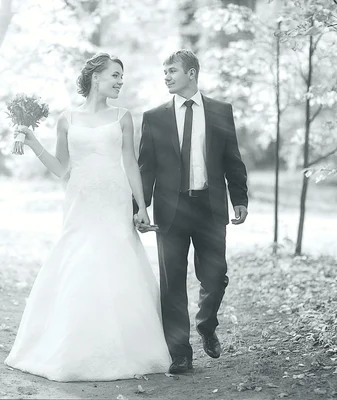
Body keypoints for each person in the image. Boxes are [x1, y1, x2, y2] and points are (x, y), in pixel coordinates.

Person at [4, 53, 171, 382]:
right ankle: (70, 349)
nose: (120, 81)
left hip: (115, 200)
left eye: (121, 77)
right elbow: (61, 169)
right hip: (80, 201)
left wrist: (141, 206)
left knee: (118, 266)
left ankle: (128, 349)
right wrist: (33, 140)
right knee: (78, 266)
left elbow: (131, 163)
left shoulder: (123, 116)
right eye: (115, 75)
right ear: (96, 77)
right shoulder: (66, 119)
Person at [134, 49, 248, 374]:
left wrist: (239, 197)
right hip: (171, 209)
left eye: (172, 71)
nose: (166, 76)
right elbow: (146, 168)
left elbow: (232, 159)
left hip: (210, 207)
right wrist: (140, 208)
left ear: (192, 73)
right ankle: (180, 354)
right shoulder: (154, 117)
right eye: (164, 72)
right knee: (171, 285)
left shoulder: (221, 111)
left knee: (215, 277)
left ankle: (207, 324)